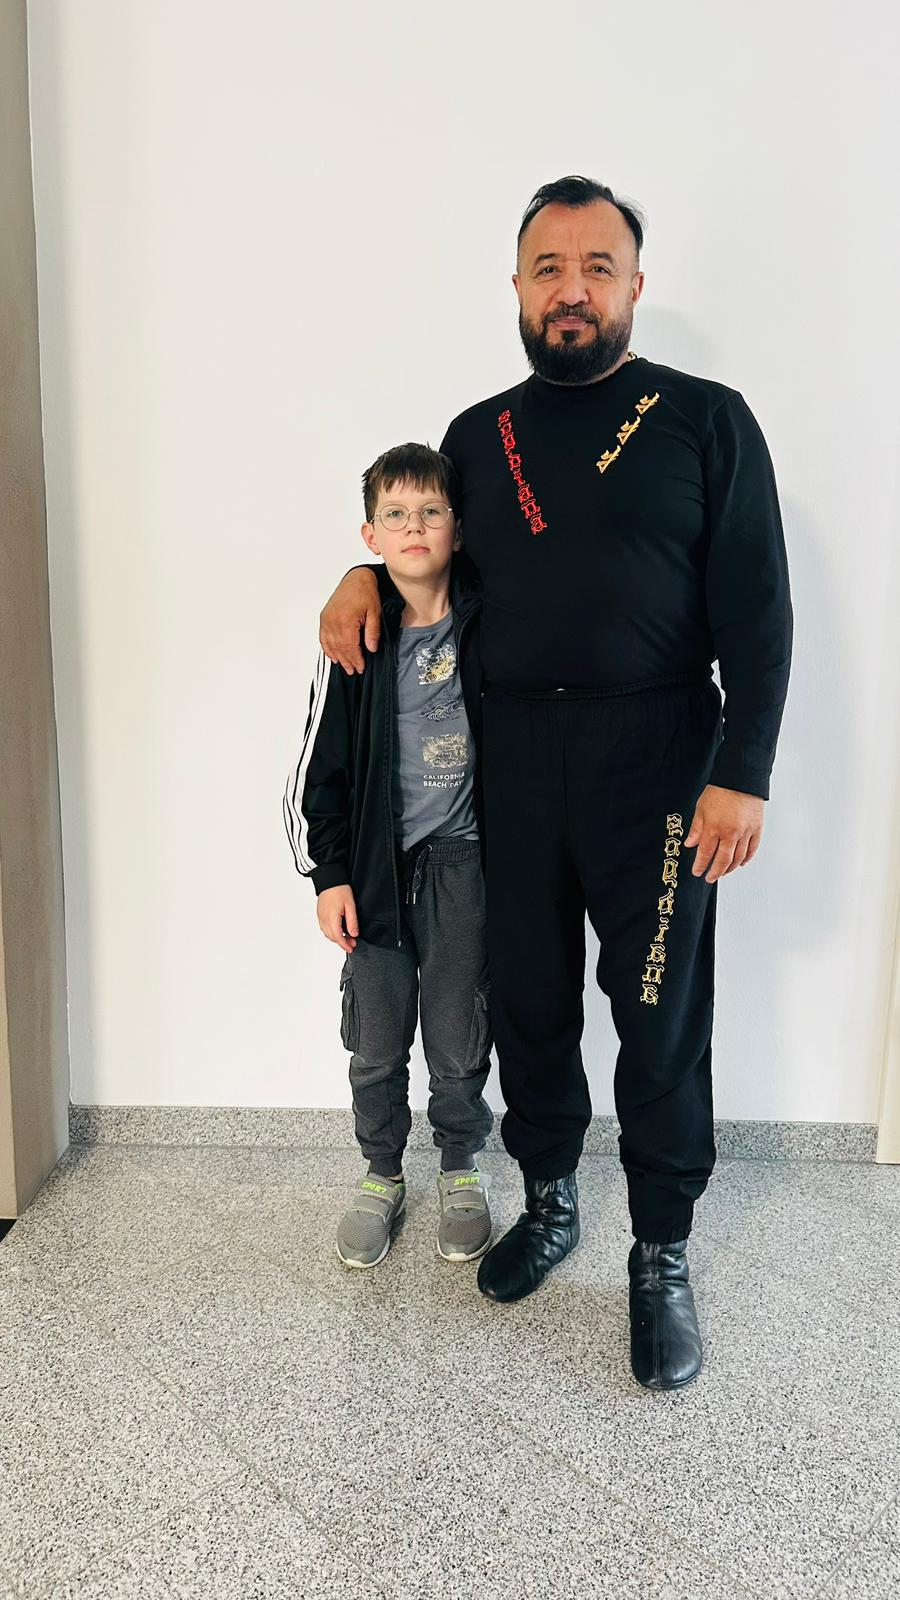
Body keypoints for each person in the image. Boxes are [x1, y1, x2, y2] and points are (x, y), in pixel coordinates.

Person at [318, 176, 793, 1389]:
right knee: (528, 999)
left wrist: (742, 772)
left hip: (663, 762)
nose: (570, 289)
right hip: (513, 761)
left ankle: (662, 1249)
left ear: (634, 285)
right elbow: (418, 553)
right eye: (547, 268)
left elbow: (759, 605)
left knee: (658, 1015)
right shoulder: (480, 437)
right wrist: (359, 578)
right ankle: (550, 1198)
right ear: (518, 289)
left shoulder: (706, 419)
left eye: (595, 267)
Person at [284, 442, 494, 1270]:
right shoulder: (357, 641)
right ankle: (381, 1172)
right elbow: (322, 768)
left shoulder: (490, 619)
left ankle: (461, 1167)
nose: (415, 527)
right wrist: (329, 874)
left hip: (464, 866)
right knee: (375, 1042)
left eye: (431, 512)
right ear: (370, 535)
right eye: (396, 515)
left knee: (457, 1036)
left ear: (457, 528)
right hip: (375, 873)